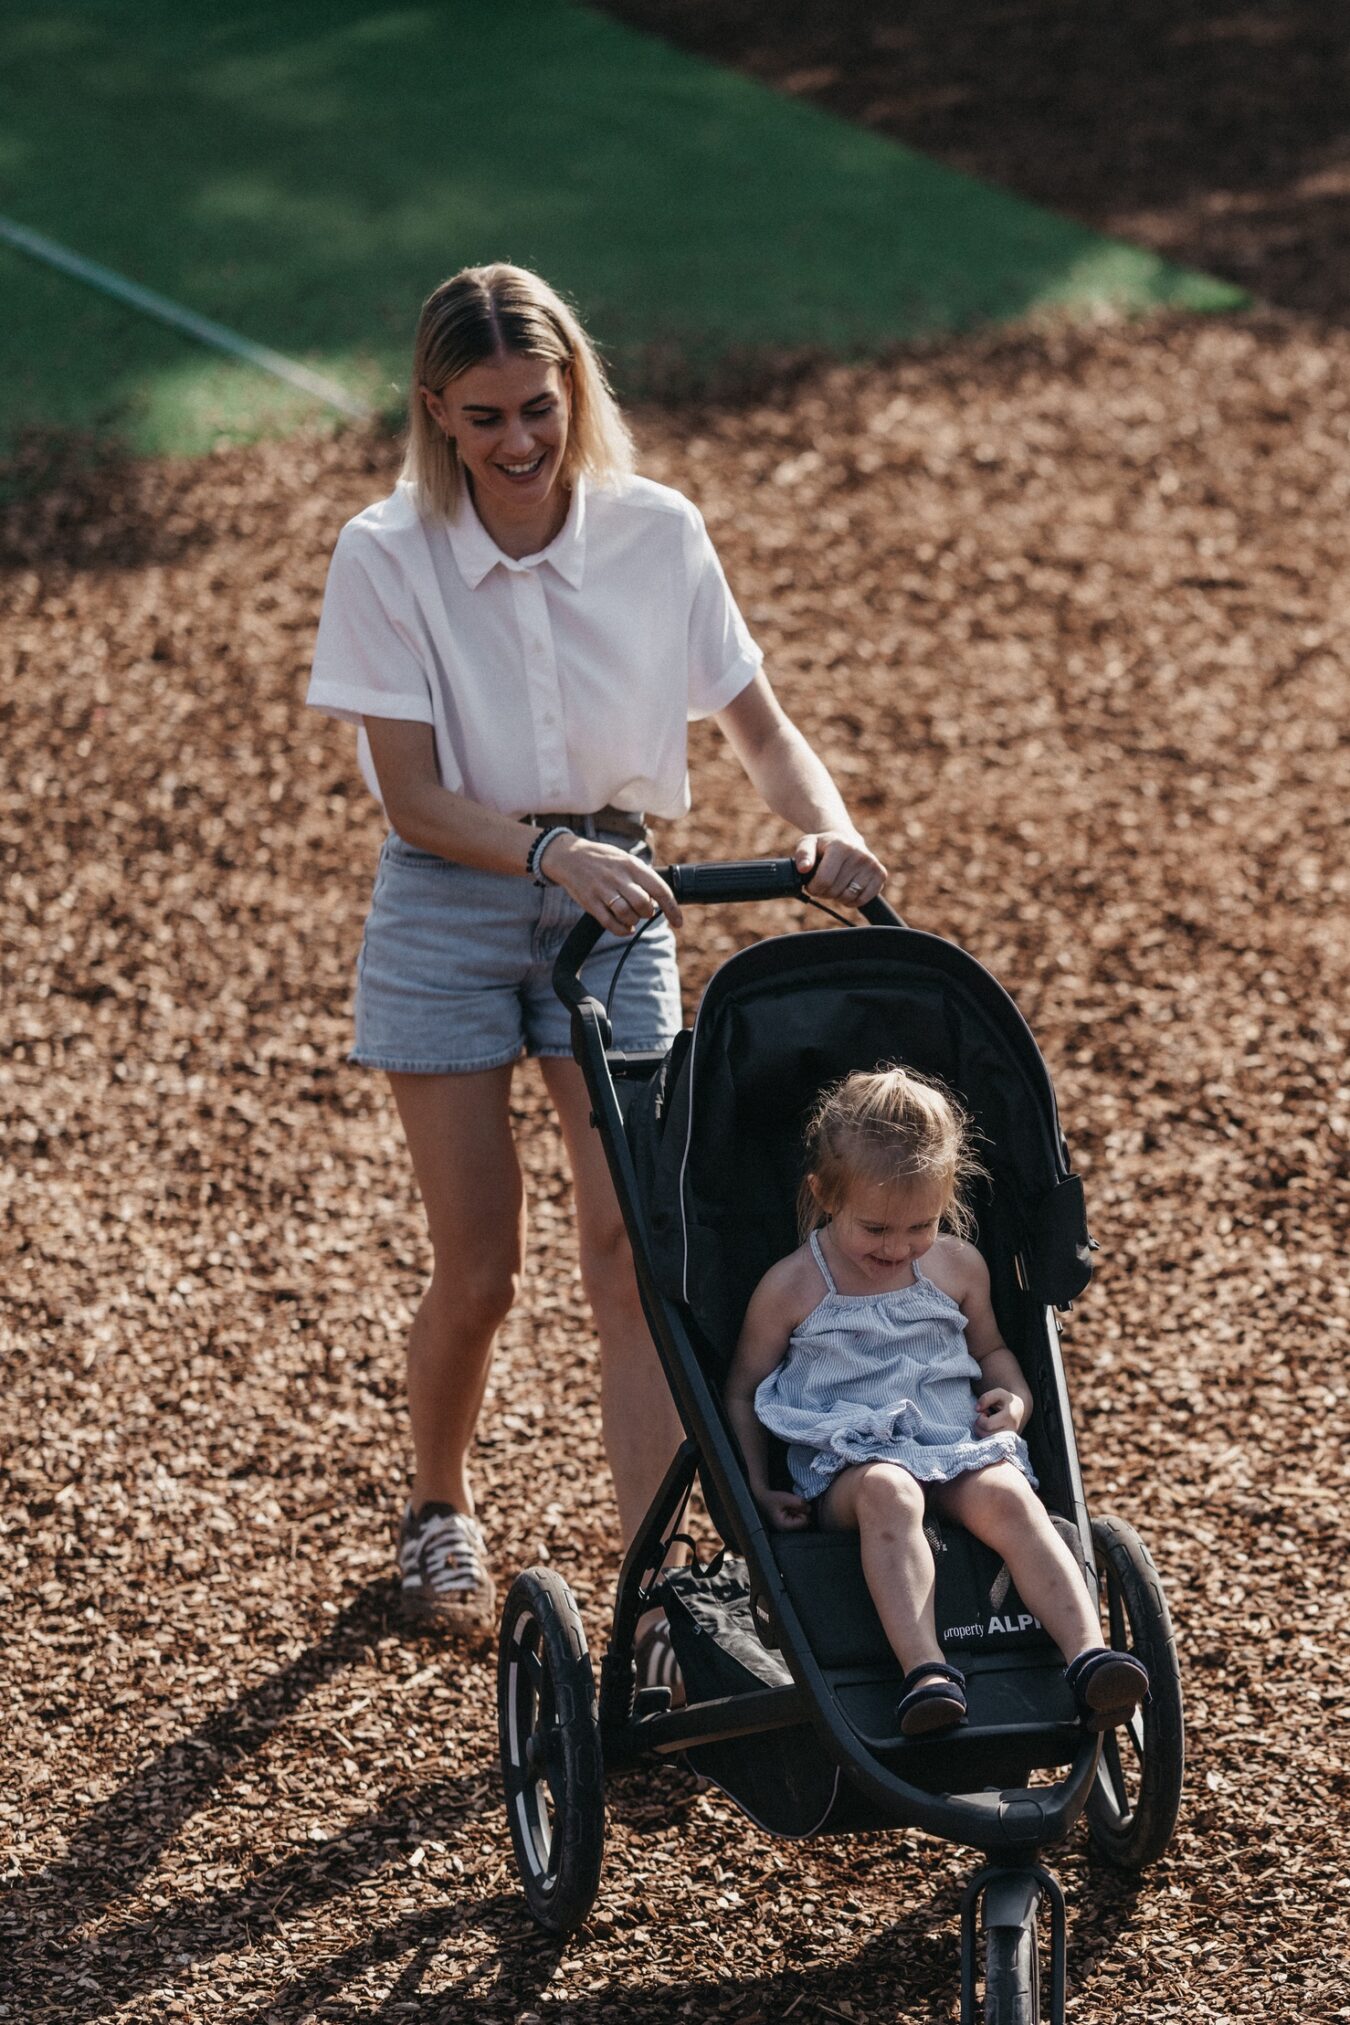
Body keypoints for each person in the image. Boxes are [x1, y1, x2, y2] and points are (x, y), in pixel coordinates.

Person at [306, 262, 886, 1639]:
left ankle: (661, 1588)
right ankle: (437, 1506)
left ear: (576, 394)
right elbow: (410, 798)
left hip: (621, 895)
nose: (518, 444)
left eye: (540, 411)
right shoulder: (384, 553)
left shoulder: (655, 532)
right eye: (487, 416)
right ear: (437, 410)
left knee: (631, 1247)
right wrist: (541, 853)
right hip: (452, 898)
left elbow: (758, 724)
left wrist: (829, 832)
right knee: (482, 1268)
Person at [725, 1067, 1149, 1735]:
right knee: (892, 1492)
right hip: (848, 1465)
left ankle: (1089, 1656)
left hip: (950, 1441)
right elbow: (745, 1389)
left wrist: (1013, 1396)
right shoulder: (794, 1286)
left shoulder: (957, 1266)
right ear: (823, 1195)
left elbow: (993, 1354)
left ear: (947, 1199)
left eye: (919, 1225)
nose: (896, 1248)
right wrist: (753, 1484)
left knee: (1009, 1494)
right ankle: (926, 1671)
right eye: (875, 1228)